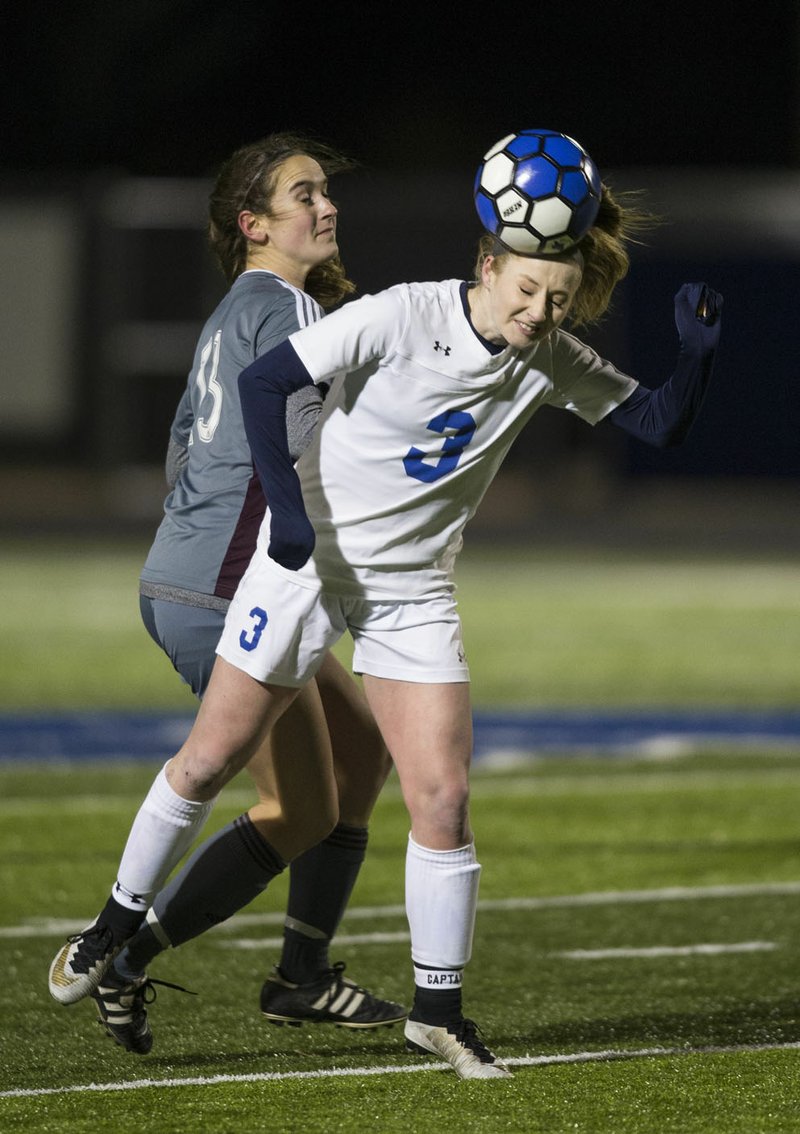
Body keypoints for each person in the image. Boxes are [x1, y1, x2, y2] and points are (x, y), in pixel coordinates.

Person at [51, 174, 723, 1080]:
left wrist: (696, 356)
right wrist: (287, 515)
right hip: (307, 569)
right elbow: (269, 379)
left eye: (557, 301)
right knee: (211, 760)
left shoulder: (546, 352)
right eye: (526, 291)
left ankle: (436, 1014)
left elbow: (659, 421)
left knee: (440, 797)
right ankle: (112, 928)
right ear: (487, 265)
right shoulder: (403, 313)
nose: (537, 314)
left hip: (410, 591)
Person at [48, 133, 404, 1042]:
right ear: (253, 224)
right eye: (304, 195)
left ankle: (300, 972)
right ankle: (125, 950)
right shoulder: (283, 310)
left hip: (217, 577)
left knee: (362, 754)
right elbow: (304, 442)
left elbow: (181, 447)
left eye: (326, 192)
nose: (326, 208)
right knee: (303, 807)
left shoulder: (244, 308)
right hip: (227, 590)